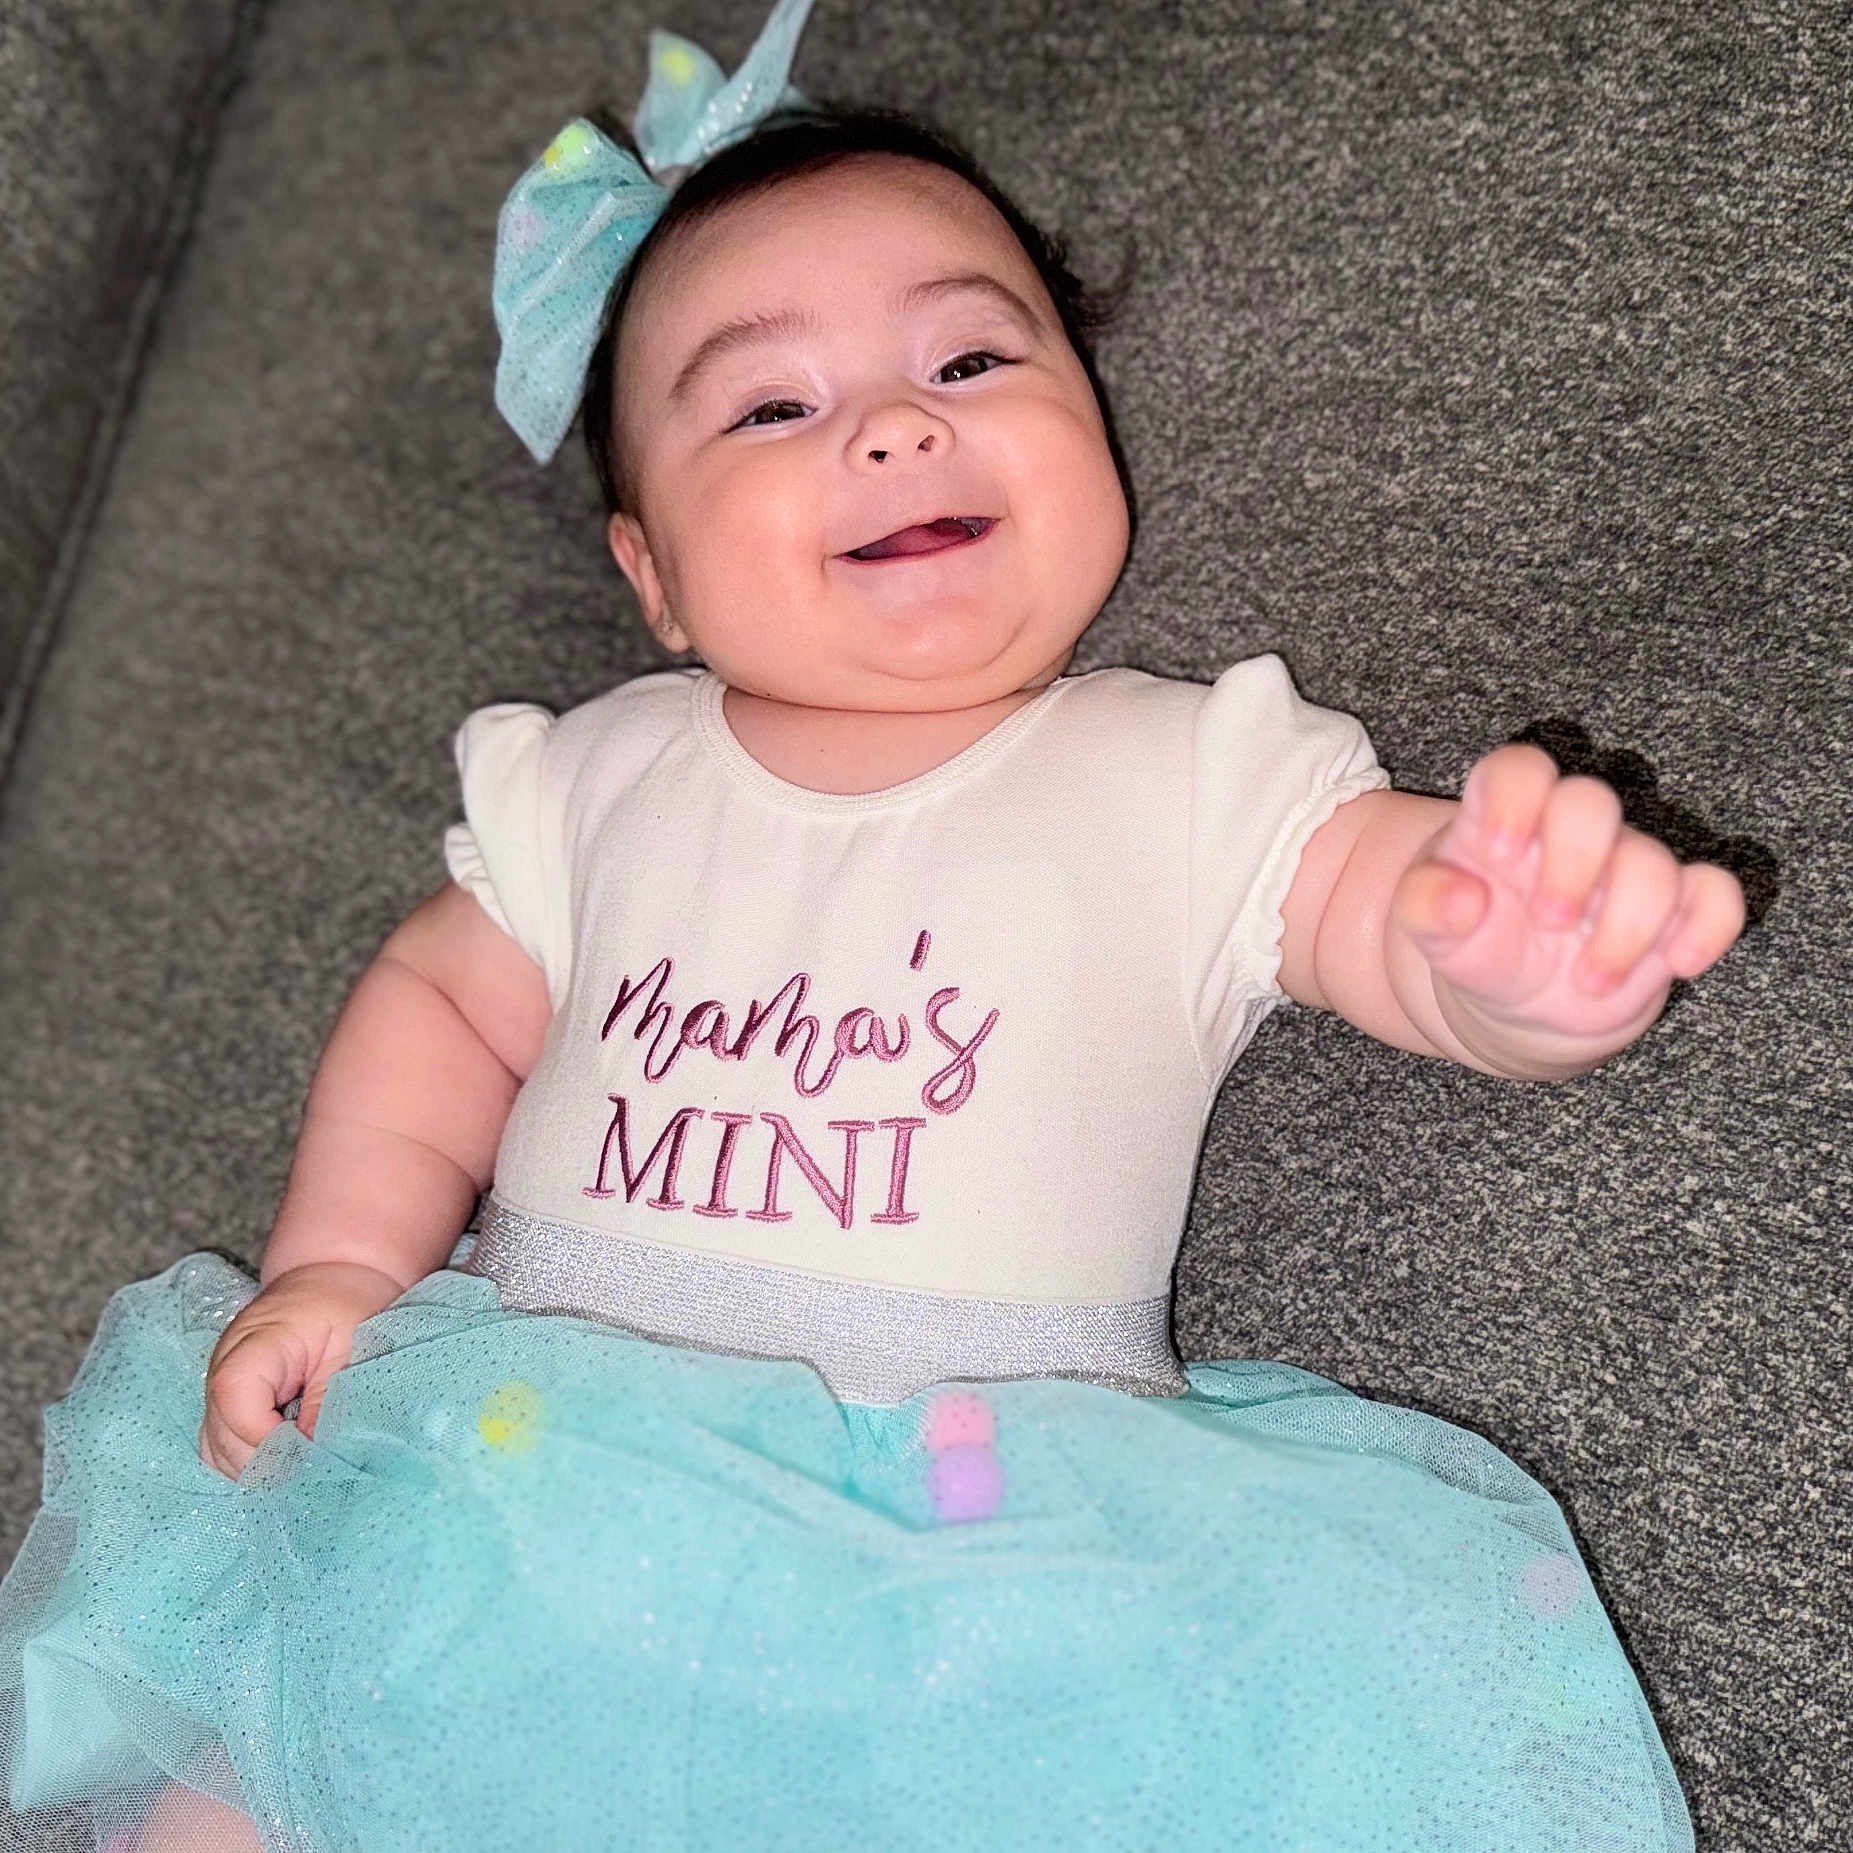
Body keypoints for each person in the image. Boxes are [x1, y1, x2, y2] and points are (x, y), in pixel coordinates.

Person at [0, 1, 1742, 1847]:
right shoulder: (597, 777)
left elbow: (1385, 910)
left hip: (982, 1561)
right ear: (650, 575)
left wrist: (1514, 952)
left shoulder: (1185, 773)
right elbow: (440, 1008)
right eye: (774, 403)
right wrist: (339, 1262)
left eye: (975, 361)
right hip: (511, 1480)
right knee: (267, 1763)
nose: (900, 427)